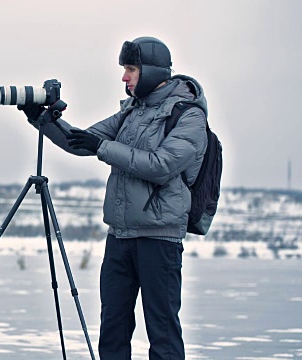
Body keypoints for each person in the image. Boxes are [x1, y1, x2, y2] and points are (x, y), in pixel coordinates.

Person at [18, 36, 208, 359]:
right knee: (113, 330)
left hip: (158, 239)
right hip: (120, 237)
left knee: (162, 333)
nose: (124, 77)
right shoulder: (132, 111)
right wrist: (40, 119)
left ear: (150, 71)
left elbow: (162, 165)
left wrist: (102, 148)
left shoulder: (188, 115)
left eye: (131, 69)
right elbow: (80, 141)